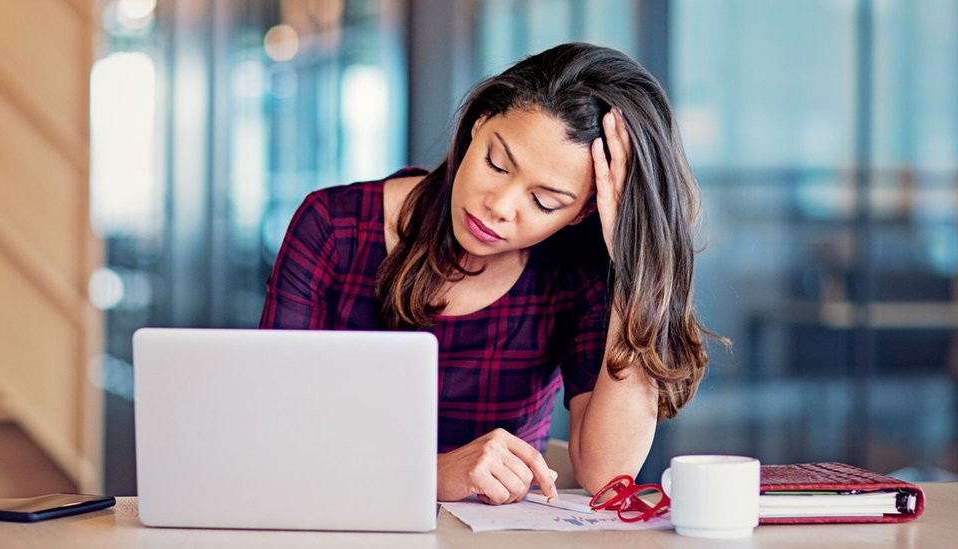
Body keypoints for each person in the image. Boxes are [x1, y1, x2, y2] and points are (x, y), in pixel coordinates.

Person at [260, 42, 716, 505]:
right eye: (496, 163)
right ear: (478, 125)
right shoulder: (333, 227)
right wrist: (432, 474)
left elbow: (607, 475)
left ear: (582, 213)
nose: (498, 207)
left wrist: (635, 265)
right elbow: (272, 438)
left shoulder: (577, 268)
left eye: (545, 202)